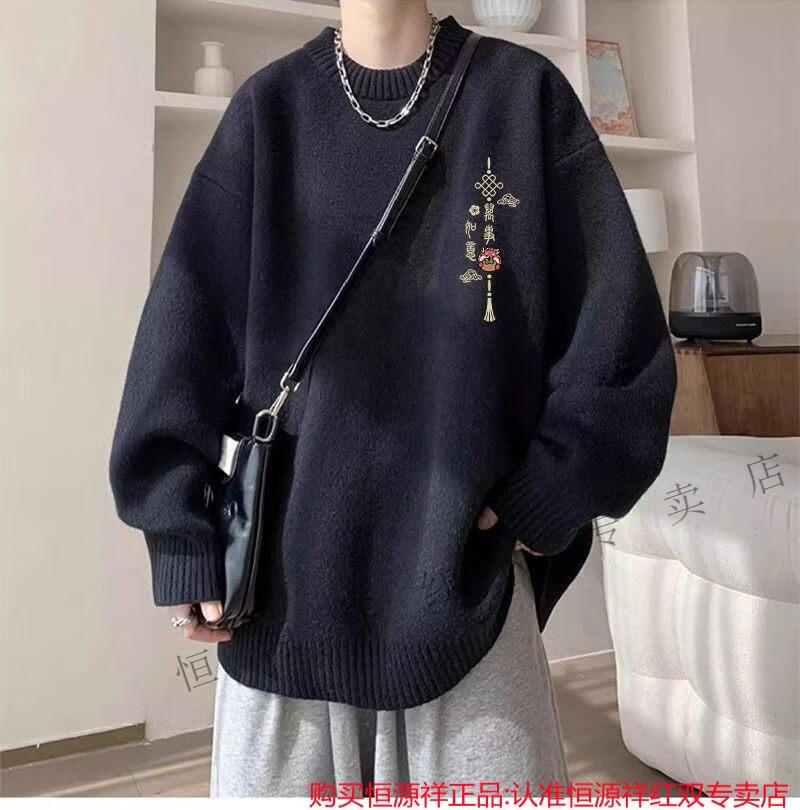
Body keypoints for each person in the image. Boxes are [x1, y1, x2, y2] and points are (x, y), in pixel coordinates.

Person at [108, 0, 677, 798]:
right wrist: (181, 534)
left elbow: (620, 346)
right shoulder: (268, 113)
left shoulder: (523, 99)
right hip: (281, 612)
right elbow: (179, 345)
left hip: (468, 603)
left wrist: (543, 494)